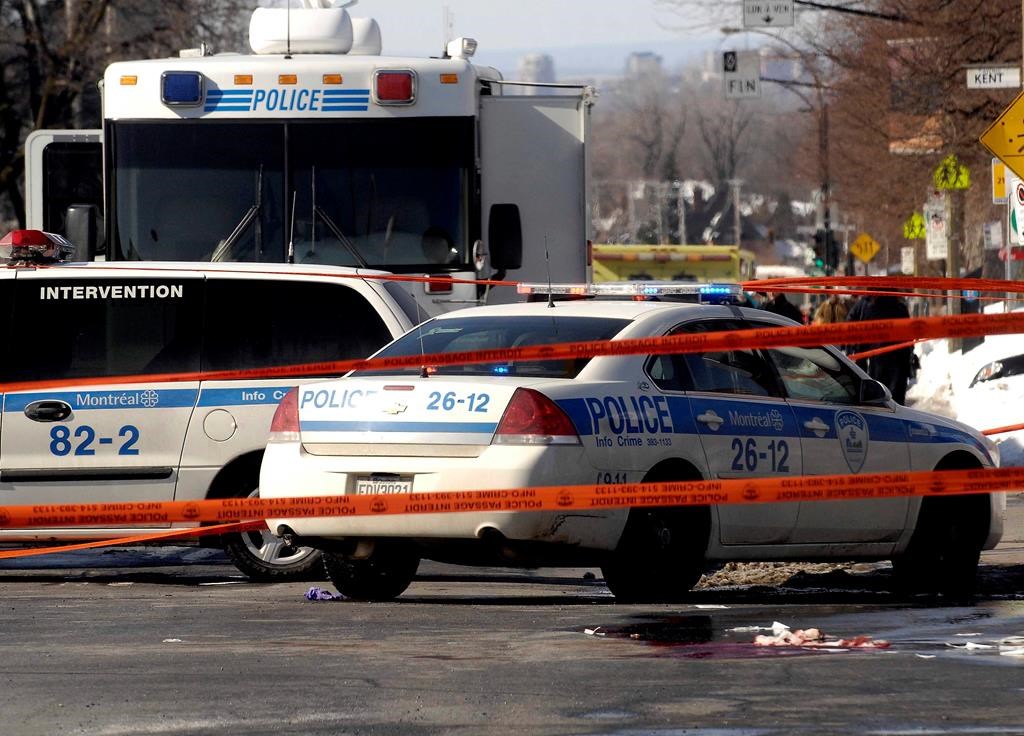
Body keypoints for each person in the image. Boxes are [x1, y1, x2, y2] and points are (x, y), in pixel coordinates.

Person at [855, 293, 913, 404]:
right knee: (897, 399)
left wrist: (860, 361)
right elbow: (908, 336)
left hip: (878, 359)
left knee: (879, 397)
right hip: (898, 359)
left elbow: (863, 338)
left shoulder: (871, 309)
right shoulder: (900, 309)